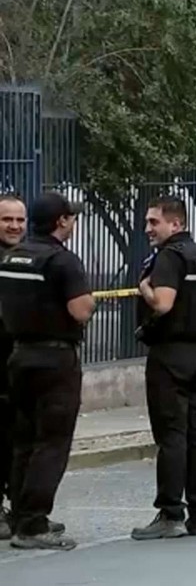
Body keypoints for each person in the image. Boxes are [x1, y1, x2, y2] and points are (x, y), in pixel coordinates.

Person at [0, 192, 92, 550]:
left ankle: (21, 515)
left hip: (19, 356)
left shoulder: (12, 258)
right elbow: (81, 310)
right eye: (70, 217)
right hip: (55, 359)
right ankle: (34, 523)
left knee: (24, 440)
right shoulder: (63, 261)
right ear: (61, 222)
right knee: (52, 443)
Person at [131, 195, 196, 540]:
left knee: (171, 435)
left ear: (176, 223)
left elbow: (164, 304)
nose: (148, 229)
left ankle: (170, 513)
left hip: (169, 355)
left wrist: (146, 289)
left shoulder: (169, 258)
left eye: (154, 222)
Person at [0, 194, 26, 541]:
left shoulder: (25, 257)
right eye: (7, 219)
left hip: (19, 363)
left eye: (19, 220)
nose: (15, 226)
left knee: (17, 440)